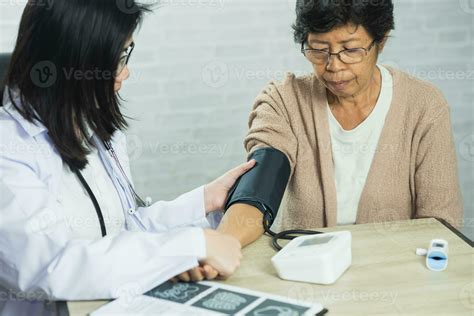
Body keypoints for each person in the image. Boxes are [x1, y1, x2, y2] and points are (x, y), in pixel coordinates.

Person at [0, 1, 255, 315]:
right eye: (117, 57)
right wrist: (189, 245)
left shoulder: (92, 125)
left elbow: (122, 229)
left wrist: (203, 200)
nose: (126, 71)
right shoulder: (9, 150)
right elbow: (49, 267)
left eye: (126, 53)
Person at [180, 0, 464, 282]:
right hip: (305, 276)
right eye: (318, 50)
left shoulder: (424, 105)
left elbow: (439, 224)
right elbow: (259, 187)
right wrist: (220, 244)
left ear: (382, 41)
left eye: (351, 50)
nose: (333, 66)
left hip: (395, 275)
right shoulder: (284, 100)